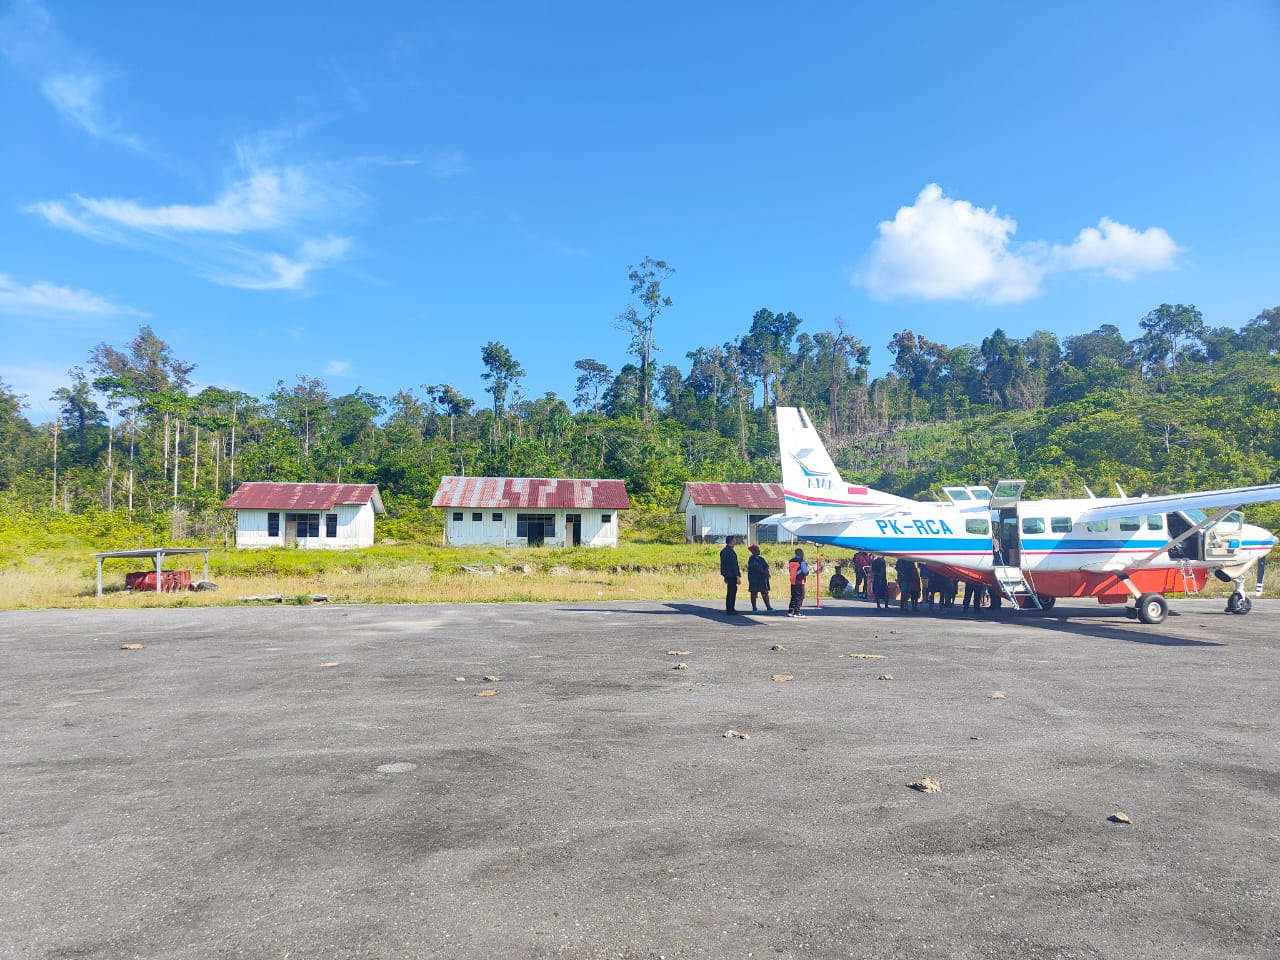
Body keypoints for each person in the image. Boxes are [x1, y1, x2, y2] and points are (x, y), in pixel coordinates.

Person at [746, 544, 774, 612]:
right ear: (753, 551)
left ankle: (768, 607)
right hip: (754, 578)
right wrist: (765, 572)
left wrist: (767, 572)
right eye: (757, 549)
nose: (759, 550)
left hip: (762, 578)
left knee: (765, 592)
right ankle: (754, 608)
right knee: (754, 593)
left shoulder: (761, 558)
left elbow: (766, 566)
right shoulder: (752, 559)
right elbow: (757, 568)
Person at [720, 536, 741, 615]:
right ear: (731, 541)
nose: (735, 542)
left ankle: (730, 608)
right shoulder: (731, 552)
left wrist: (724, 576)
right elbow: (734, 565)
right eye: (734, 540)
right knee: (732, 592)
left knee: (730, 592)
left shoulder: (723, 551)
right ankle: (731, 609)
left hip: (727, 575)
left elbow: (724, 565)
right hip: (732, 575)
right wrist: (737, 576)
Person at [787, 548, 809, 617]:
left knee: (793, 596)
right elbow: (805, 571)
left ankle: (791, 611)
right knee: (800, 596)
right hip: (799, 581)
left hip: (792, 581)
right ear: (800, 553)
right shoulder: (801, 561)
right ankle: (797, 612)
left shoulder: (791, 561)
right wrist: (807, 571)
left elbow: (790, 571)